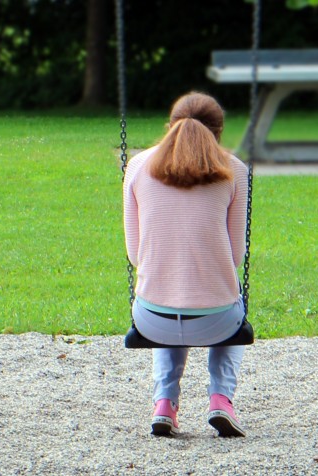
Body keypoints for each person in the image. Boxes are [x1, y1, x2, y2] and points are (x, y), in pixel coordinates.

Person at [122, 91, 249, 438]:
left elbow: (136, 256)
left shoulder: (137, 166)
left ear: (170, 126)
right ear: (219, 132)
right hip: (218, 322)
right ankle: (221, 399)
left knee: (165, 295)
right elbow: (235, 256)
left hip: (152, 321)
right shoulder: (235, 170)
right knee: (228, 299)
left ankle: (164, 403)